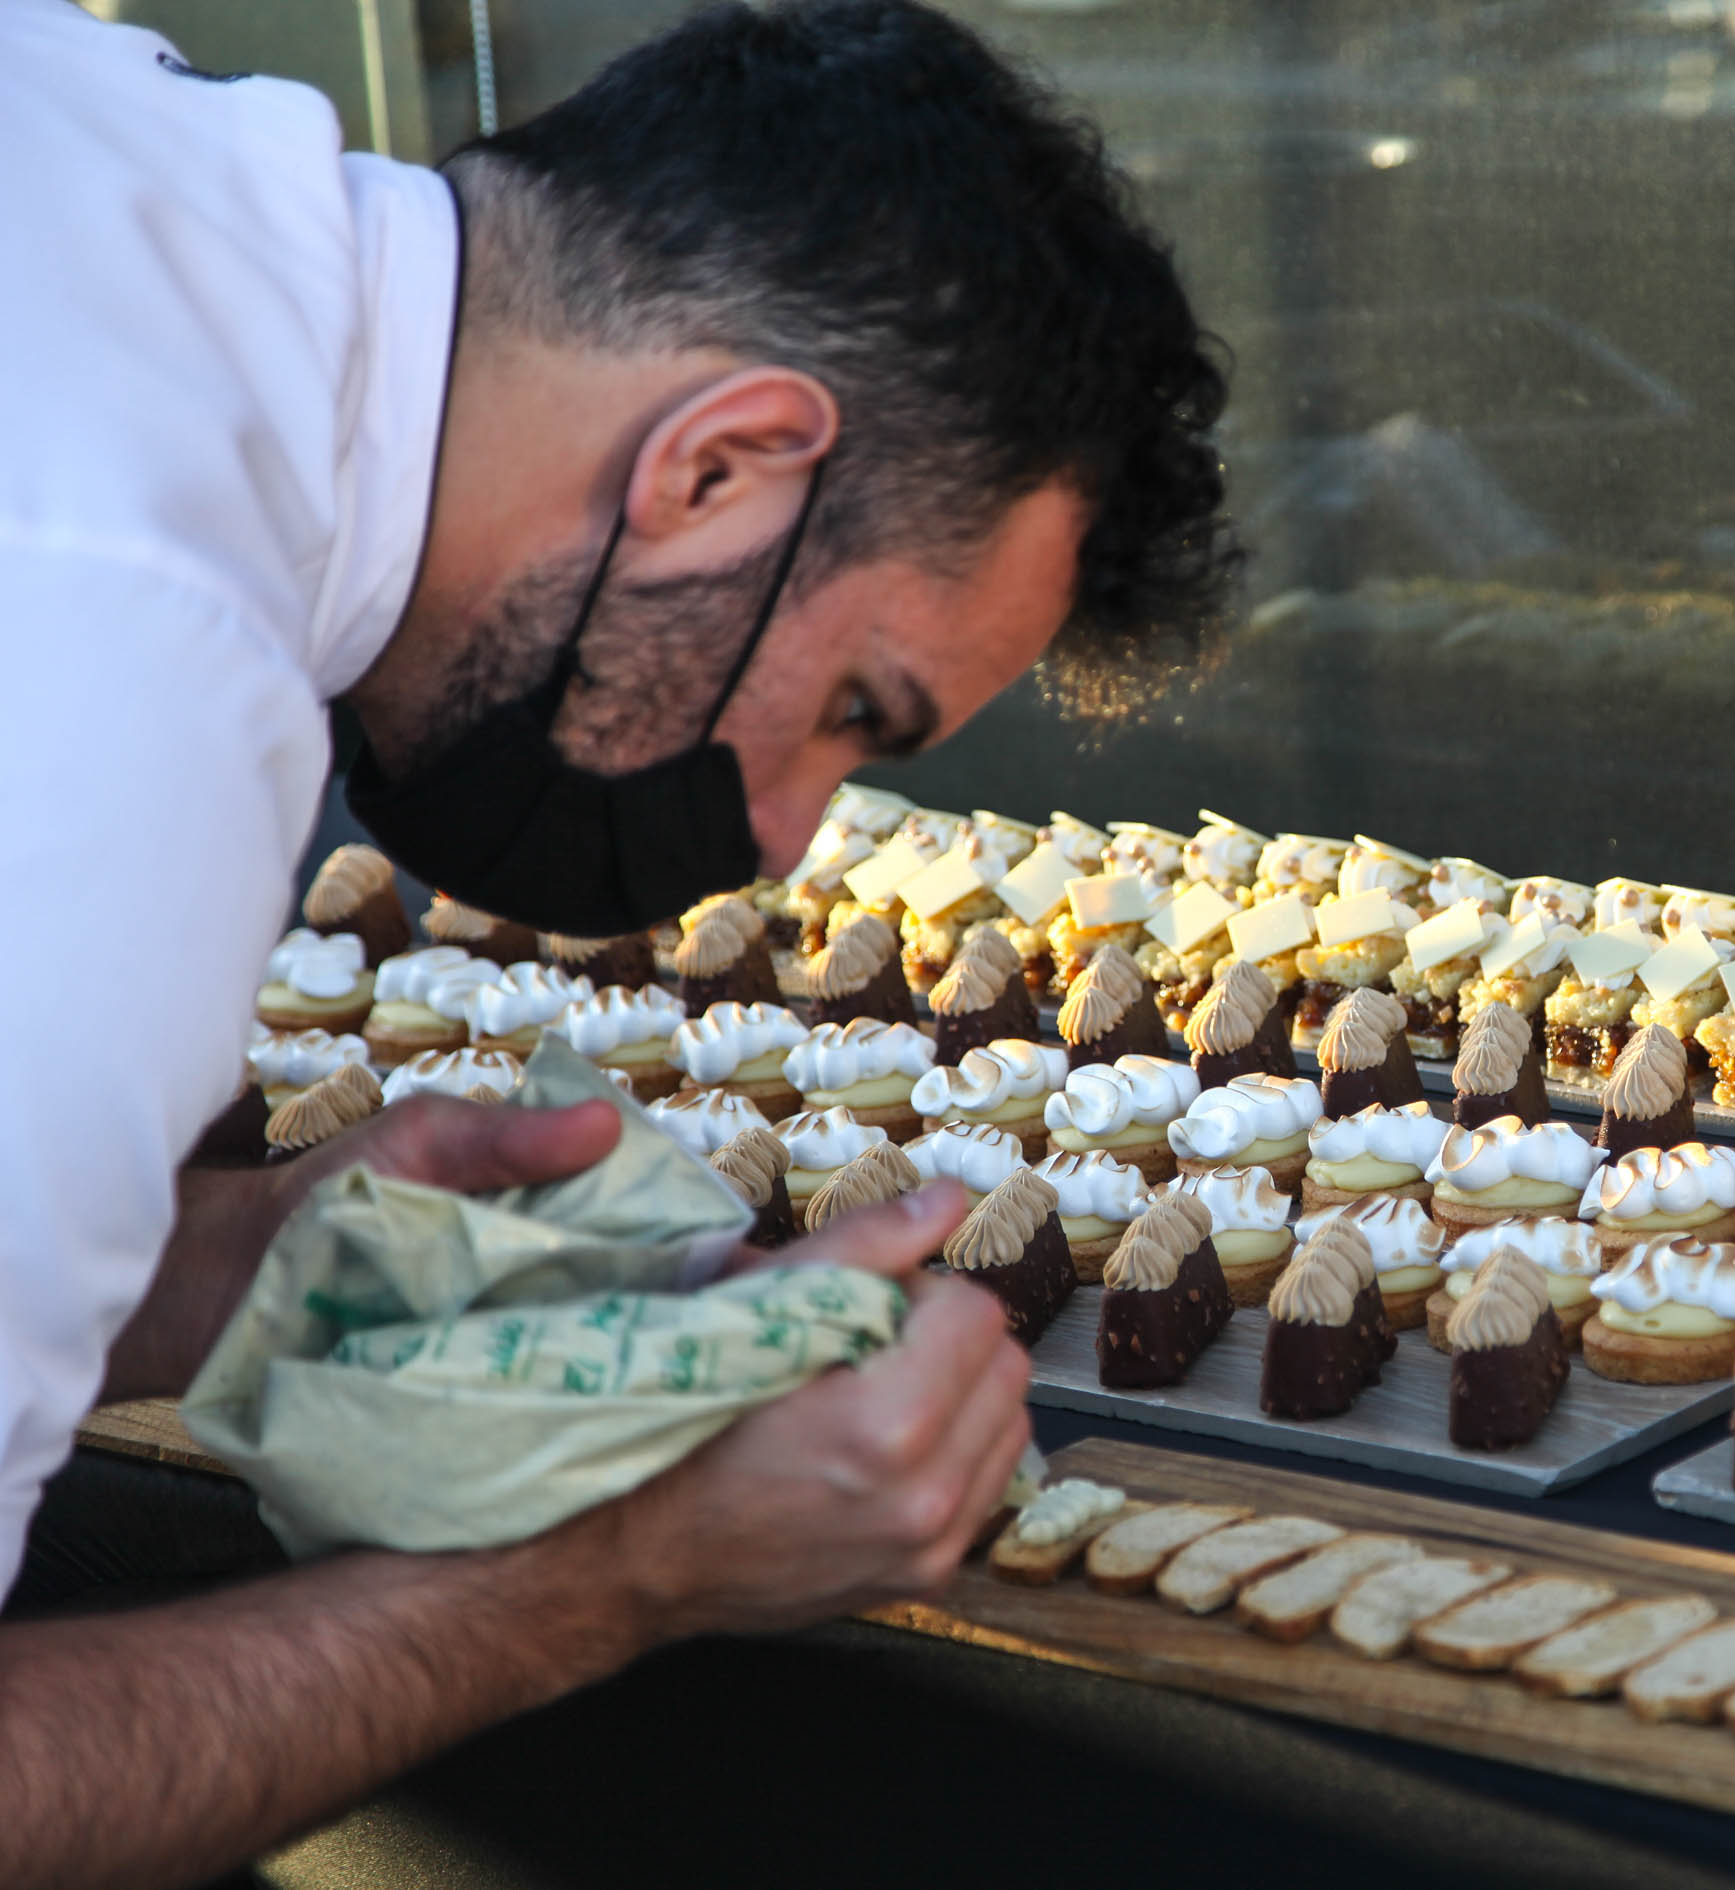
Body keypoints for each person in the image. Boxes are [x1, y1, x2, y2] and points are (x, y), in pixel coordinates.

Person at [0, 1, 1234, 1882]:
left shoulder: (84, 139)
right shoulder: (124, 692)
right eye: (854, 712)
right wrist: (607, 1578)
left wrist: (245, 1266)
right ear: (718, 467)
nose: (784, 840)